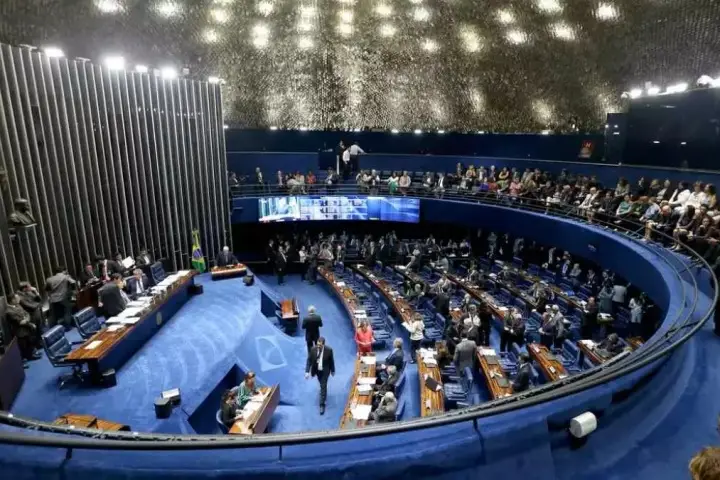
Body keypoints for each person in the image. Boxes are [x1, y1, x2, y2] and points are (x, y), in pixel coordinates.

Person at [5, 293, 41, 361]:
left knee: (29, 343)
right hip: (20, 332)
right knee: (23, 347)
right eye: (17, 298)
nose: (19, 299)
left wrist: (26, 319)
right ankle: (26, 358)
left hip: (26, 328)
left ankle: (31, 355)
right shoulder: (9, 311)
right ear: (12, 300)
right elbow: (20, 322)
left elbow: (27, 313)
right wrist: (27, 320)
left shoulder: (18, 305)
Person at [305, 337, 335, 415]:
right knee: (322, 384)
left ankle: (322, 404)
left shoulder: (329, 350)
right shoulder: (313, 349)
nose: (318, 346)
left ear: (323, 345)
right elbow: (309, 360)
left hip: (325, 371)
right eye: (317, 345)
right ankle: (323, 393)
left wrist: (333, 370)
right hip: (317, 371)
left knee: (323, 385)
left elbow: (331, 361)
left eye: (320, 345)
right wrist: (307, 371)